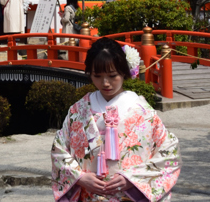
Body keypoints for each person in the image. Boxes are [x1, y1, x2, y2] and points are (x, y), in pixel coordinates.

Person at [51, 38, 180, 201]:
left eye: (112, 76)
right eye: (97, 76)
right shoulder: (78, 110)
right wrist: (79, 178)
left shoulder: (142, 112)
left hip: (129, 195)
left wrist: (133, 178)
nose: (105, 83)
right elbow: (59, 150)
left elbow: (169, 153)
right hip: (88, 194)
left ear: (124, 72)